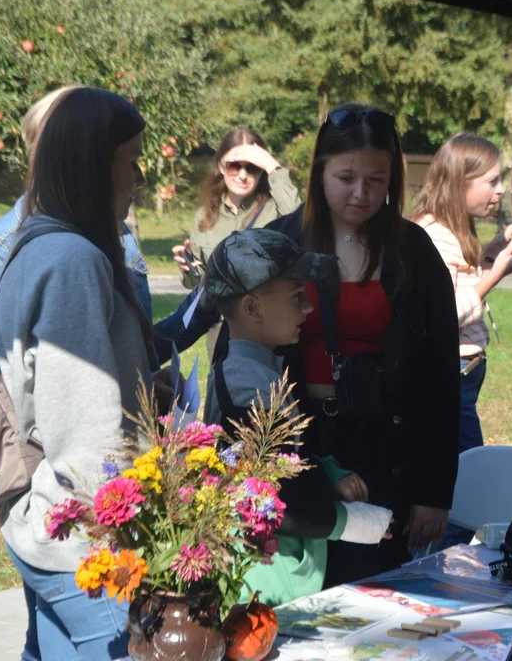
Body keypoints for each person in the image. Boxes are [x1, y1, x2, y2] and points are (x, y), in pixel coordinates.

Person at [265, 103, 460, 585]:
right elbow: (246, 356)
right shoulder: (278, 243)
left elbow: (440, 377)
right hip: (299, 444)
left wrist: (434, 492)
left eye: (376, 180)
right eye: (346, 177)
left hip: (388, 451)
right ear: (319, 173)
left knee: (377, 589)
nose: (361, 193)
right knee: (302, 586)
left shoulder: (412, 249)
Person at [0, 88, 154, 661]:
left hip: (57, 529)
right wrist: (122, 550)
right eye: (130, 160)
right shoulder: (72, 260)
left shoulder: (45, 244)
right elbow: (86, 434)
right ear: (91, 163)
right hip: (86, 543)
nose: (138, 177)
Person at [0, 86, 206, 371]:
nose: (141, 178)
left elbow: (128, 354)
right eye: (131, 162)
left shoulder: (117, 234)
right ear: (77, 156)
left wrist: (204, 307)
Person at [202, 229, 391, 605]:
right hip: (265, 587)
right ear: (252, 308)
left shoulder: (256, 371)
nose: (308, 307)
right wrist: (355, 523)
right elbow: (275, 499)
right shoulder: (249, 388)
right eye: (296, 296)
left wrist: (326, 471)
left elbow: (282, 461)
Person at [409, 132, 512, 455]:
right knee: (466, 474)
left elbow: (457, 281)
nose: (501, 189)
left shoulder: (453, 226)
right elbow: (442, 315)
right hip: (448, 378)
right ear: (460, 183)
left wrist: (492, 254)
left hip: (462, 375)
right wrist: (495, 275)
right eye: (492, 181)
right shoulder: (434, 235)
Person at [173, 128, 301, 358]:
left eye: (252, 167)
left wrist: (272, 165)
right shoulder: (204, 216)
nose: (242, 175)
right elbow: (200, 285)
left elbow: (301, 219)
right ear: (221, 167)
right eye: (234, 166)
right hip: (222, 333)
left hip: (269, 332)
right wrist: (187, 269)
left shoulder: (276, 211)